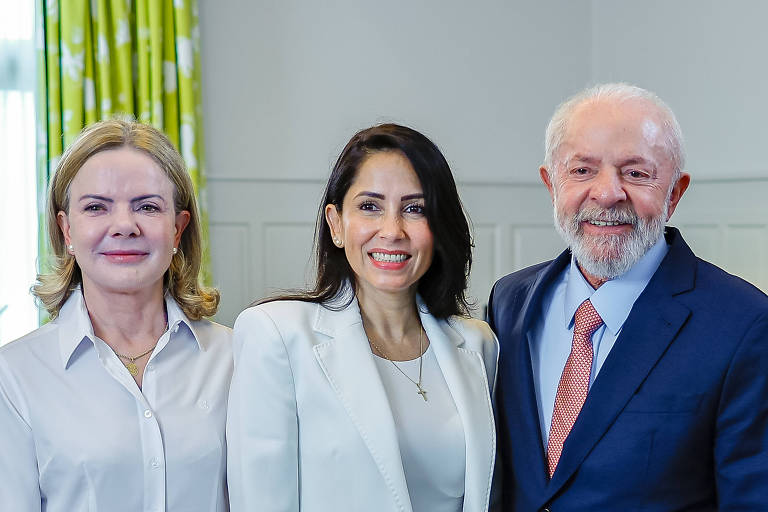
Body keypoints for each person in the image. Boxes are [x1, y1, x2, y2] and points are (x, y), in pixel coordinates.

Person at [488, 83, 768, 510]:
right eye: (581, 170)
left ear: (674, 193)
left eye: (636, 173)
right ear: (551, 184)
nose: (607, 193)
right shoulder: (508, 303)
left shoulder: (744, 325)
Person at [227, 123, 498, 512]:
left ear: (439, 226)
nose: (392, 230)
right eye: (370, 206)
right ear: (336, 224)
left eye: (415, 208)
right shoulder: (276, 336)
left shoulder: (478, 344)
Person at [0, 119, 233, 511]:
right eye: (95, 207)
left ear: (177, 230)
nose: (124, 225)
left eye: (147, 206)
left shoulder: (236, 357)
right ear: (67, 228)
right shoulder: (14, 376)